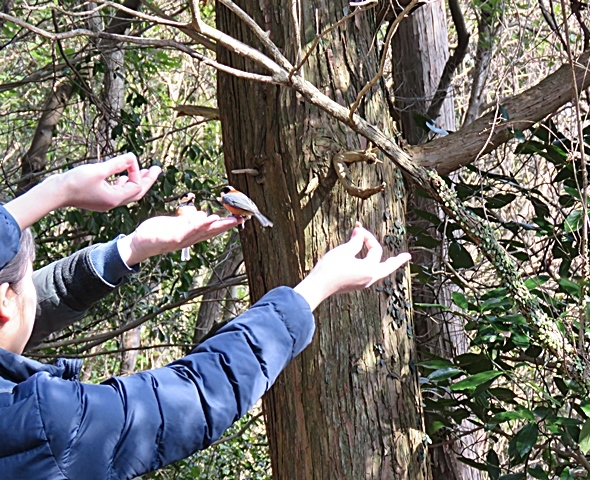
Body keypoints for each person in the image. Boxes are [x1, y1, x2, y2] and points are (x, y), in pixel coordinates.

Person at [0, 154, 412, 479]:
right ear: (5, 302)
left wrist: (130, 245)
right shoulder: (47, 426)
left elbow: (33, 309)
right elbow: (195, 395)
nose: (38, 290)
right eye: (31, 281)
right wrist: (316, 288)